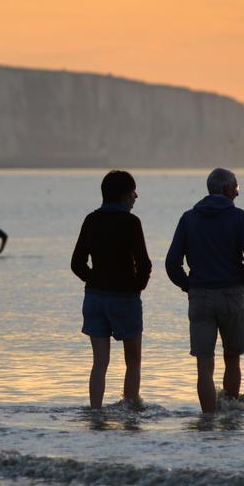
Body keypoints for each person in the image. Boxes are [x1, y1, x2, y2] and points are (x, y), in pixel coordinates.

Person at [165, 168, 244, 413]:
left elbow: (171, 263)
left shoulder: (189, 218)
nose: (238, 193)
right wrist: (241, 284)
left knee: (204, 365)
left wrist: (188, 286)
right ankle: (229, 415)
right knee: (232, 358)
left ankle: (207, 419)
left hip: (200, 296)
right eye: (237, 188)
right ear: (227, 189)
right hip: (231, 295)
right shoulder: (240, 218)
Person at [70, 170, 151, 408]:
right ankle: (131, 408)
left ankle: (95, 412)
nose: (136, 196)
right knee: (133, 361)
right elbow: (144, 264)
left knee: (99, 363)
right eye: (133, 192)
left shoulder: (91, 220)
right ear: (124, 195)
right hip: (125, 298)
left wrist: (94, 280)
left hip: (95, 298)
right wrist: (136, 287)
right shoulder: (131, 222)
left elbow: (77, 263)